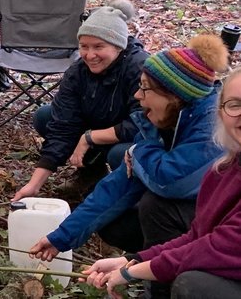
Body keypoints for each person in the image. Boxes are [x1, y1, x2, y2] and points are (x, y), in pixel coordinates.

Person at [30, 35, 228, 281]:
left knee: (156, 207)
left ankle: (169, 283)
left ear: (174, 96)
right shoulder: (162, 121)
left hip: (225, 231)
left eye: (144, 87)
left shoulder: (212, 125)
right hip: (196, 216)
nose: (137, 95)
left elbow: (172, 180)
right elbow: (119, 185)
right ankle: (150, 267)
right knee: (117, 223)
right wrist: (60, 238)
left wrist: (136, 152)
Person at [82, 67, 241, 299]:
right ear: (220, 112)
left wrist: (131, 272)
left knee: (195, 285)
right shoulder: (223, 171)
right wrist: (132, 259)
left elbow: (219, 248)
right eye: (235, 105)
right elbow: (198, 235)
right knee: (151, 208)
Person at [12, 2, 149, 202]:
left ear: (118, 45)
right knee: (46, 116)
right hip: (98, 126)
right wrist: (34, 185)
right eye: (84, 46)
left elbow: (144, 124)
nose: (89, 55)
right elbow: (63, 126)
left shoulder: (139, 68)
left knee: (120, 153)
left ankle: (131, 195)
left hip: (130, 136)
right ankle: (91, 173)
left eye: (98, 47)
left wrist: (89, 138)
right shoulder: (77, 72)